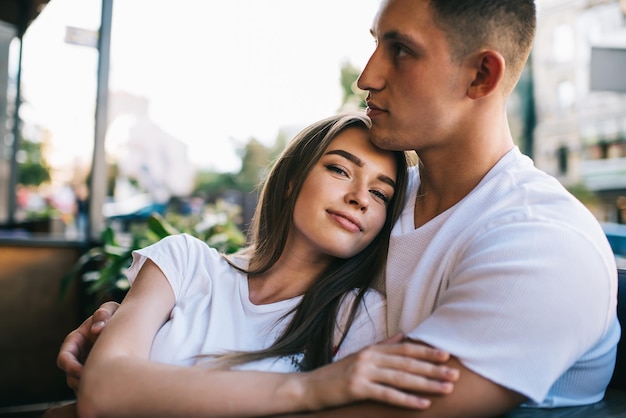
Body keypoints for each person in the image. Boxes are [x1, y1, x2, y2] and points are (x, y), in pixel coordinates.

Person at [56, 0, 620, 417]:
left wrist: (138, 385)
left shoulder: (542, 245)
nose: (367, 76)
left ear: (481, 75)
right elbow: (246, 283)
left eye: (400, 51)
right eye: (376, 43)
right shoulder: (384, 205)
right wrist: (143, 322)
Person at [70, 113, 463, 418]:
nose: (360, 197)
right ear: (291, 179)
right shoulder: (185, 263)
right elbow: (101, 391)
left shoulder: (362, 317)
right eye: (341, 170)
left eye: (380, 192)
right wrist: (313, 389)